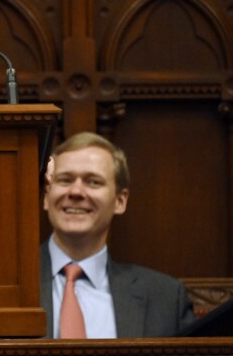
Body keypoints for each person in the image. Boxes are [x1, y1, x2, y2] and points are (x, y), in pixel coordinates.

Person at [41, 132, 195, 338]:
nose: (76, 192)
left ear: (120, 201)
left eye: (93, 182)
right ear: (46, 195)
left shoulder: (165, 298)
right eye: (65, 180)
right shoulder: (4, 290)